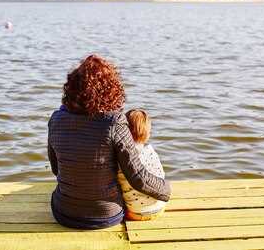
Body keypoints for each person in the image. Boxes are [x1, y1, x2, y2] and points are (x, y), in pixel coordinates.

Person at [47, 55, 171, 229]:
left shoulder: (55, 120)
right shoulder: (115, 123)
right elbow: (138, 178)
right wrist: (166, 189)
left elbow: (56, 169)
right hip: (105, 216)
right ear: (111, 89)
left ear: (72, 88)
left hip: (63, 212)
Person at [117, 109, 166, 221]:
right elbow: (161, 175)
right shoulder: (151, 152)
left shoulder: (122, 157)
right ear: (148, 133)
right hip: (159, 208)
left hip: (134, 213)